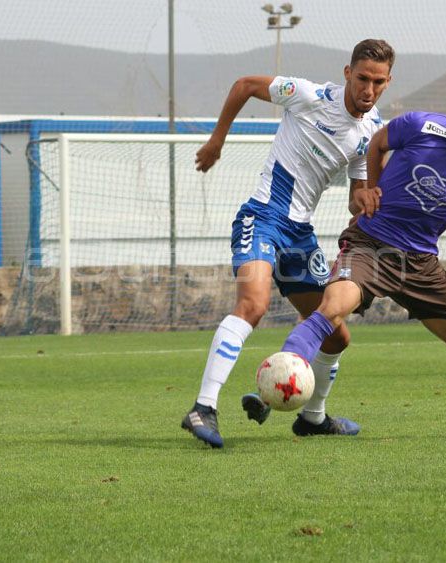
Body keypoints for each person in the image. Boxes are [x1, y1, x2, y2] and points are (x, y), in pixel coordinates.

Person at [272, 91, 446, 437]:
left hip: (421, 264)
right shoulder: (420, 125)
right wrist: (371, 190)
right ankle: (284, 366)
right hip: (371, 247)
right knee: (333, 307)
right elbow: (377, 143)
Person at [181, 39, 394, 448]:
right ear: (348, 73)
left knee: (336, 335)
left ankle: (313, 418)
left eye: (378, 82)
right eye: (363, 78)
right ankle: (203, 408)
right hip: (261, 218)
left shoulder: (369, 132)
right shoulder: (309, 96)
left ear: (388, 82)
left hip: (299, 235)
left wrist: (364, 199)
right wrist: (216, 141)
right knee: (253, 305)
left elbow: (356, 193)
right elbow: (244, 84)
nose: (369, 89)